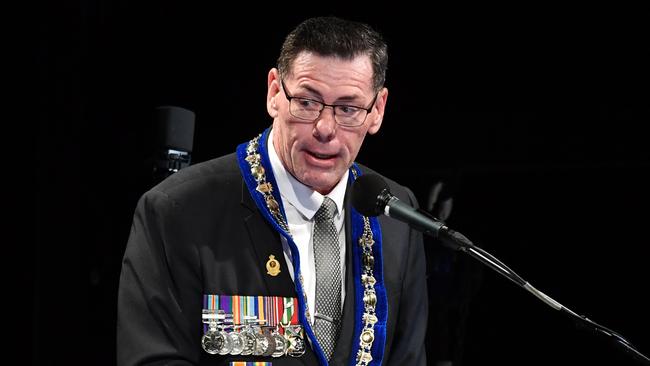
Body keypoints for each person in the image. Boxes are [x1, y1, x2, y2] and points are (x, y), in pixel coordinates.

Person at [117, 16, 428, 366]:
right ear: (275, 92)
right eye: (308, 102)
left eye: (348, 109)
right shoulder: (177, 211)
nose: (325, 128)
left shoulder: (397, 217)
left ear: (377, 111)